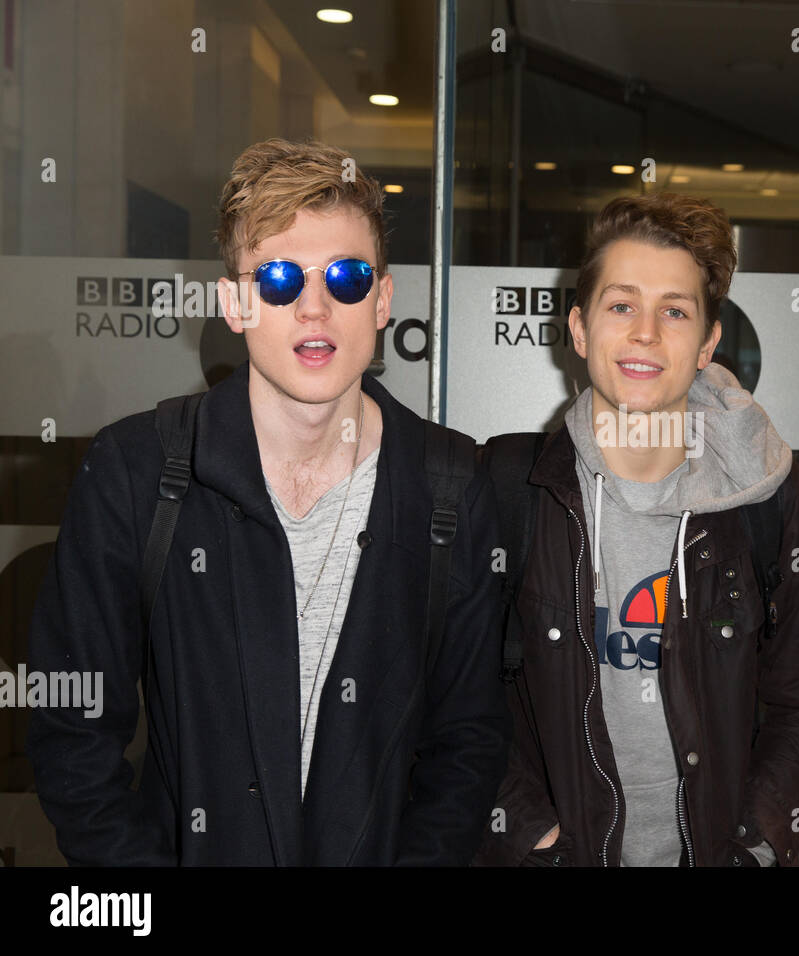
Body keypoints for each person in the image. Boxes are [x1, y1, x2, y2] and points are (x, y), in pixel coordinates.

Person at [26, 138, 509, 865]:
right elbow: (73, 730)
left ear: (382, 300)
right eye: (279, 278)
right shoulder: (137, 470)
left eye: (345, 277)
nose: (314, 308)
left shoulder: (452, 486)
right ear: (235, 302)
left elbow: (467, 747)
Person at [476, 193, 799, 867]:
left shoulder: (768, 494)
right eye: (622, 305)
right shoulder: (507, 486)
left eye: (674, 311)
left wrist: (753, 843)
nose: (646, 332)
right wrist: (535, 839)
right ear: (580, 329)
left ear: (707, 343)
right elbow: (456, 698)